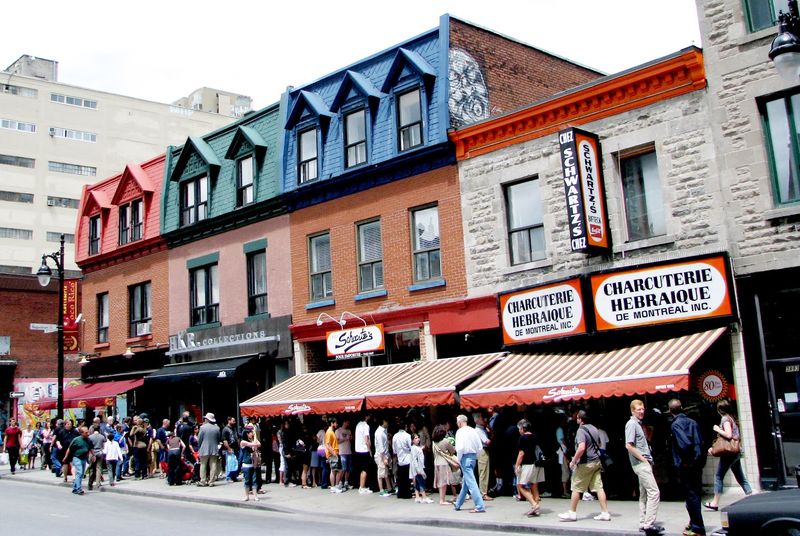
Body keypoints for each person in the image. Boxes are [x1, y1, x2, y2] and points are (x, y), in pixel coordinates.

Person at [557, 410, 611, 522]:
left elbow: (581, 448)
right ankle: (605, 512)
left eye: (577, 418)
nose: (576, 419)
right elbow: (599, 444)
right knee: (599, 487)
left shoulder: (581, 430)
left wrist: (574, 461)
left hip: (586, 462)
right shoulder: (595, 429)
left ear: (580, 419)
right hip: (596, 461)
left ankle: (572, 512)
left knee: (576, 487)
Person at [705, 399, 752, 511]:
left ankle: (715, 502)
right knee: (740, 476)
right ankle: (750, 495)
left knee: (718, 476)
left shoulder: (725, 419)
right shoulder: (731, 418)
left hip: (729, 453)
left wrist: (717, 429)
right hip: (735, 451)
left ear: (719, 410)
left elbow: (728, 434)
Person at [668, 399, 706, 536]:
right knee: (695, 494)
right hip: (697, 463)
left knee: (691, 496)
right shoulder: (693, 422)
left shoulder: (675, 425)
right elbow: (700, 442)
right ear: (682, 408)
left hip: (687, 465)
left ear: (670, 411)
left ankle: (698, 527)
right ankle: (694, 523)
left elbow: (684, 444)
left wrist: (683, 461)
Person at [625, 400, 662, 534]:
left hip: (643, 462)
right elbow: (629, 445)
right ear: (632, 411)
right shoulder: (631, 424)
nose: (641, 411)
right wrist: (643, 460)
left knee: (644, 494)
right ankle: (649, 524)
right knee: (654, 492)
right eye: (638, 409)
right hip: (641, 463)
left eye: (642, 409)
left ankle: (643, 522)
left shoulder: (638, 424)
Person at [453, 414, 486, 513]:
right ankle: (458, 503)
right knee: (467, 482)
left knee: (471, 482)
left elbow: (459, 448)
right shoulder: (473, 430)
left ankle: (479, 505)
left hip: (464, 457)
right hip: (473, 457)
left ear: (459, 422)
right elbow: (480, 447)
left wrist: (458, 459)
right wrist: (475, 456)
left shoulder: (460, 432)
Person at [515, 419, 545, 517]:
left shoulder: (523, 438)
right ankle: (536, 508)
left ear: (523, 428)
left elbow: (521, 453)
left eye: (519, 428)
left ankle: (534, 504)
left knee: (521, 486)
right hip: (537, 464)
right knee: (534, 485)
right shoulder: (535, 436)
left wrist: (517, 465)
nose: (519, 430)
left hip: (527, 464)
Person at [432, 424, 459, 505]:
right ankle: (442, 500)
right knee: (444, 482)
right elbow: (453, 451)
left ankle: (441, 498)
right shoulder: (445, 441)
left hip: (436, 462)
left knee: (440, 482)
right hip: (444, 463)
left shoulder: (434, 442)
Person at [63, 426, 92, 495]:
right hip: (77, 458)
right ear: (82, 433)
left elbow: (91, 448)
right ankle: (79, 489)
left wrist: (93, 455)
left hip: (84, 458)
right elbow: (69, 448)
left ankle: (75, 488)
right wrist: (65, 457)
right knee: (79, 472)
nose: (88, 433)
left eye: (88, 432)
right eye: (86, 432)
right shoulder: (76, 440)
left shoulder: (88, 440)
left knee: (81, 474)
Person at [474, 412, 493, 502]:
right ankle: (483, 493)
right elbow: (487, 441)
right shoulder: (478, 430)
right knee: (483, 472)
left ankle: (484, 491)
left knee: (485, 471)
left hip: (485, 451)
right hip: (482, 451)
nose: (484, 420)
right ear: (477, 420)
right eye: (482, 419)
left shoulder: (483, 429)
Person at [197, 412, 221, 487]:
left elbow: (199, 439)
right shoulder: (217, 428)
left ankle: (203, 481)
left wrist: (199, 447)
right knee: (213, 465)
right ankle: (211, 481)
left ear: (207, 419)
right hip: (214, 448)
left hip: (204, 448)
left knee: (203, 464)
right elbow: (218, 439)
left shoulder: (202, 427)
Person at [392, 421, 413, 499]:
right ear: (405, 427)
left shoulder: (395, 436)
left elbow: (394, 450)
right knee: (407, 478)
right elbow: (411, 447)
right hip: (407, 458)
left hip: (400, 459)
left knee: (401, 478)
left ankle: (400, 493)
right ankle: (407, 493)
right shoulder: (407, 436)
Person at [410, 433, 432, 503]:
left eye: (418, 438)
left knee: (417, 483)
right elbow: (414, 459)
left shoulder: (417, 447)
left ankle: (417, 496)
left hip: (419, 467)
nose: (418, 439)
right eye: (415, 438)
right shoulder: (413, 448)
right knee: (421, 482)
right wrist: (418, 469)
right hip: (418, 468)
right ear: (412, 440)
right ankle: (424, 497)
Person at [240, 426, 261, 501]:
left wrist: (255, 435)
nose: (252, 434)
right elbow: (254, 445)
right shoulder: (243, 442)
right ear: (247, 434)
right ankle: (247, 496)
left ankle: (255, 496)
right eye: (251, 433)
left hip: (254, 463)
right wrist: (255, 435)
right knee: (247, 481)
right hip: (246, 464)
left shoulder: (252, 440)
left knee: (254, 481)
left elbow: (258, 444)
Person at [354, 414, 372, 493]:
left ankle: (362, 486)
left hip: (358, 449)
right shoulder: (366, 426)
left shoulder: (358, 425)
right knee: (365, 469)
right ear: (366, 416)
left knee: (361, 469)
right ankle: (362, 487)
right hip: (364, 450)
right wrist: (370, 450)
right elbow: (366, 439)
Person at [374, 416, 392, 496]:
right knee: (381, 472)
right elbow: (381, 447)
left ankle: (389, 488)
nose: (388, 423)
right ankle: (381, 490)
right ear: (384, 421)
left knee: (386, 472)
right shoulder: (379, 432)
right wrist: (384, 458)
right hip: (381, 455)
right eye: (387, 422)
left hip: (385, 454)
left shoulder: (384, 431)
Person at [86, 424, 106, 490]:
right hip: (100, 452)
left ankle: (90, 483)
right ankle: (98, 483)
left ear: (93, 429)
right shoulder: (102, 436)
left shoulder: (90, 437)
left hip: (92, 453)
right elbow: (103, 446)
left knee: (91, 468)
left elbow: (88, 446)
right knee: (99, 468)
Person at [325, 418, 342, 492]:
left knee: (338, 470)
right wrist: (334, 454)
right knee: (334, 470)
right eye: (336, 423)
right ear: (332, 423)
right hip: (333, 454)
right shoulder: (329, 432)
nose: (337, 424)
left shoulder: (331, 431)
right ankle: (333, 487)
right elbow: (328, 445)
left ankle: (336, 486)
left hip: (334, 453)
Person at [336, 418, 353, 490]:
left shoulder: (349, 431)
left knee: (348, 468)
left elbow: (351, 439)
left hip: (349, 451)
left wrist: (351, 438)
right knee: (343, 468)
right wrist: (345, 439)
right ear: (344, 422)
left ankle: (346, 482)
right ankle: (339, 483)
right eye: (347, 423)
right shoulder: (338, 431)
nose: (348, 424)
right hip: (342, 452)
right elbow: (336, 441)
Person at [222, 416, 240, 482]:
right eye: (233, 421)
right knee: (229, 463)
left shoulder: (234, 428)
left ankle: (234, 476)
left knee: (235, 463)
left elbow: (237, 437)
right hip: (229, 448)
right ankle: (228, 477)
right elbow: (225, 441)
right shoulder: (225, 429)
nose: (234, 422)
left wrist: (239, 446)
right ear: (229, 421)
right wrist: (229, 449)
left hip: (235, 448)